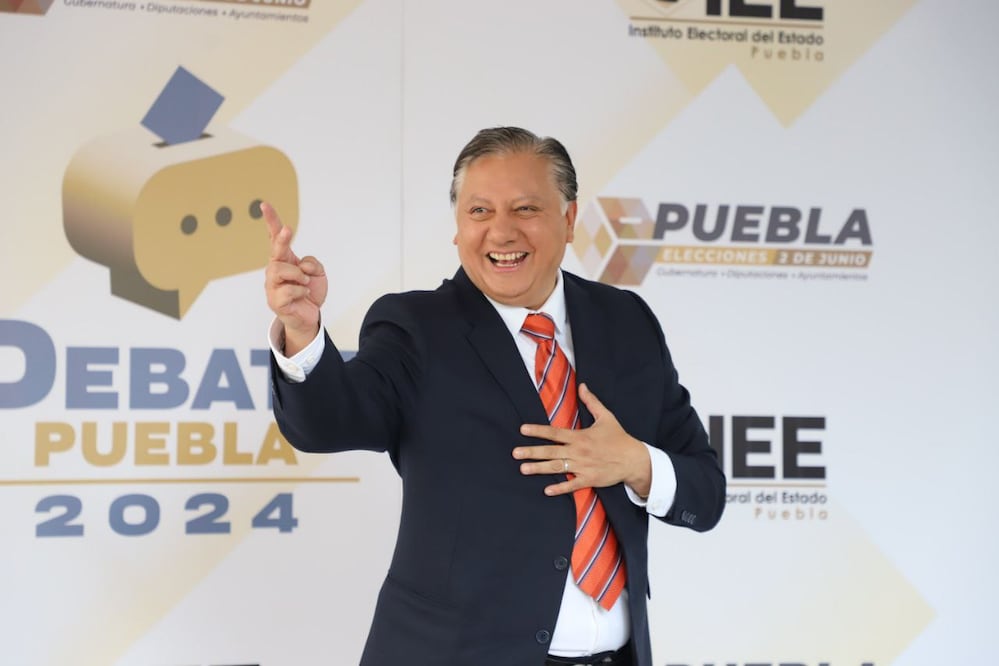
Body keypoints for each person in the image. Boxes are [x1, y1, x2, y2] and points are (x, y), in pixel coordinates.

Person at [264, 127, 725, 666]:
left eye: (525, 208)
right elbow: (326, 422)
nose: (501, 233)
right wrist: (302, 333)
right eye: (479, 211)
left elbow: (705, 492)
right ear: (458, 228)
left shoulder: (626, 321)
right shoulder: (416, 327)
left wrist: (636, 463)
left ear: (570, 220)